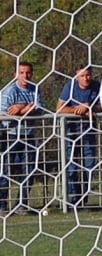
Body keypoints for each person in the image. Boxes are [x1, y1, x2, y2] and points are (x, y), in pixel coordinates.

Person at [56, 64, 102, 206]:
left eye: (88, 75)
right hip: (71, 131)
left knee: (89, 164)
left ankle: (84, 198)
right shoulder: (69, 87)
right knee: (71, 165)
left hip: (89, 131)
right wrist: (77, 110)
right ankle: (73, 200)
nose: (85, 78)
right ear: (77, 76)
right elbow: (59, 109)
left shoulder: (96, 86)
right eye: (82, 76)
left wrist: (90, 107)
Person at [0, 61, 43, 216]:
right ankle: (2, 206)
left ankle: (21, 204)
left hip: (28, 135)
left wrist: (20, 107)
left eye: (28, 73)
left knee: (29, 170)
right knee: (5, 171)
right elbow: (4, 114)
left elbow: (38, 109)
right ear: (16, 74)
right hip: (10, 135)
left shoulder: (35, 88)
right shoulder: (8, 91)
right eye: (22, 72)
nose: (25, 76)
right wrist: (25, 108)